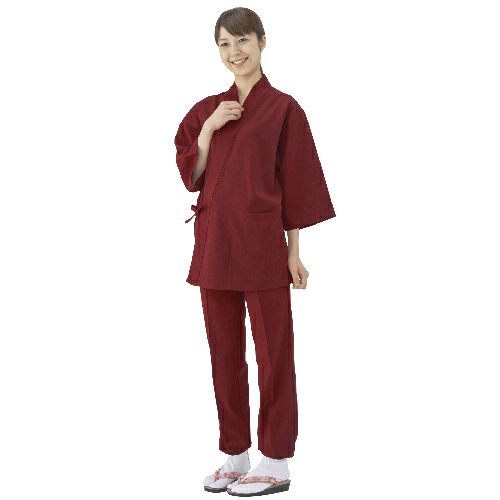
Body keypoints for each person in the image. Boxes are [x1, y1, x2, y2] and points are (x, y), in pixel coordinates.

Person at [174, 7, 336, 496]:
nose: (234, 52)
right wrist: (209, 128)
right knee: (224, 354)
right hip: (215, 246)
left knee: (274, 353)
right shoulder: (207, 109)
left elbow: (297, 184)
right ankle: (235, 454)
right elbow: (192, 175)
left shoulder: (284, 109)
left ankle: (276, 460)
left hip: (263, 247)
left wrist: (294, 252)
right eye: (224, 44)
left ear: (263, 42)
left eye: (242, 40)